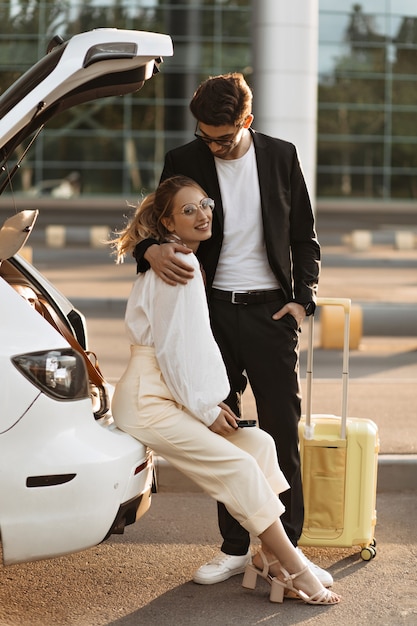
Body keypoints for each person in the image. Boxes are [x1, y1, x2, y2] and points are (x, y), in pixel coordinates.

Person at [133, 73, 331, 587]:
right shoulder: (185, 159)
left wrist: (301, 300)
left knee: (281, 431)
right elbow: (156, 225)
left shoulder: (281, 155)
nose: (213, 146)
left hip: (271, 313)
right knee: (223, 428)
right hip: (213, 310)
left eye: (222, 137)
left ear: (246, 120)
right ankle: (237, 547)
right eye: (205, 136)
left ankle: (289, 552)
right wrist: (147, 251)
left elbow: (304, 237)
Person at [110, 175, 339, 606]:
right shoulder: (180, 262)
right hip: (147, 401)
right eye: (188, 210)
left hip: (166, 392)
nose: (203, 214)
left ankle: (269, 558)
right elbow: (176, 348)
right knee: (238, 467)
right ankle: (295, 568)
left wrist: (203, 402)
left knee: (259, 444)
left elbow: (181, 350)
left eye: (205, 204)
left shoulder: (175, 257)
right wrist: (205, 406)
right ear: (167, 221)